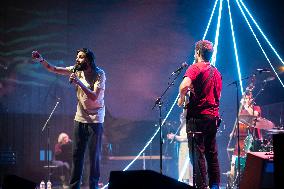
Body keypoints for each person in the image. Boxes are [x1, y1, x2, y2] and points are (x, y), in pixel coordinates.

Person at [32, 48, 106, 189]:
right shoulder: (75, 70)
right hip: (80, 118)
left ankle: (93, 186)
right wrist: (41, 59)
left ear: (88, 60)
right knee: (77, 156)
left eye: (80, 57)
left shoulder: (99, 74)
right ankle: (73, 187)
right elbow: (54, 69)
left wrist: (78, 82)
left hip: (95, 120)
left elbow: (94, 96)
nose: (77, 59)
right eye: (77, 57)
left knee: (93, 157)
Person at [177, 40, 222, 189]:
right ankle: (214, 186)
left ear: (197, 53)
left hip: (197, 118)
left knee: (197, 155)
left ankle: (201, 187)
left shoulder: (195, 68)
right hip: (213, 118)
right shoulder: (216, 72)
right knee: (212, 154)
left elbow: (184, 85)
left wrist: (181, 98)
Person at [167, 109, 193, 185]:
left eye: (182, 116)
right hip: (182, 150)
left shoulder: (188, 125)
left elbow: (187, 138)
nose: (180, 118)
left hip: (187, 149)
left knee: (188, 170)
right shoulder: (182, 126)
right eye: (180, 116)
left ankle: (190, 183)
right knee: (183, 171)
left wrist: (175, 137)